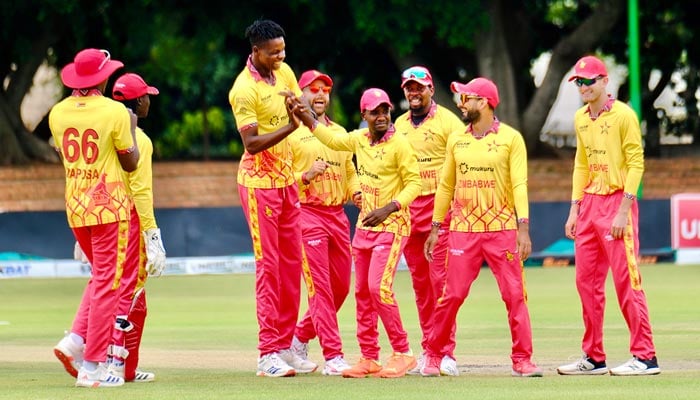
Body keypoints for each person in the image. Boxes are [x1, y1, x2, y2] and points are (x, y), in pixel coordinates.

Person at [289, 88, 422, 378]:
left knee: (378, 288)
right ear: (364, 116)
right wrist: (308, 119)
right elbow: (332, 139)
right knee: (362, 292)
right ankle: (369, 357)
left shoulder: (399, 143)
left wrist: (389, 208)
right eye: (375, 111)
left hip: (392, 225)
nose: (382, 116)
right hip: (364, 227)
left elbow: (415, 184)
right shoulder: (359, 139)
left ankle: (403, 352)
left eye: (385, 110)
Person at [421, 77, 542, 378]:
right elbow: (446, 186)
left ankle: (522, 360)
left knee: (515, 295)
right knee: (453, 295)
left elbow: (520, 184)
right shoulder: (456, 140)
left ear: (485, 102)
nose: (462, 104)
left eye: (468, 98)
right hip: (463, 230)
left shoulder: (511, 139)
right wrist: (436, 227)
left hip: (501, 229)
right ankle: (434, 355)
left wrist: (522, 227)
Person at [557, 55, 659, 376]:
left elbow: (636, 163)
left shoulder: (624, 116)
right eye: (580, 82)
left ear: (604, 82)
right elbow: (581, 163)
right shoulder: (581, 118)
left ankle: (645, 357)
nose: (584, 87)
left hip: (617, 203)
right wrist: (575, 208)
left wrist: (623, 210)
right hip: (589, 203)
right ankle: (594, 357)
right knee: (585, 283)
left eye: (589, 81)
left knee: (627, 281)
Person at [228, 19, 315, 377]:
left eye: (283, 49)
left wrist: (307, 115)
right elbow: (251, 143)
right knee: (270, 267)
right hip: (258, 184)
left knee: (292, 265)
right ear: (255, 52)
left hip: (286, 181)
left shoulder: (285, 72)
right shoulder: (243, 89)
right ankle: (267, 353)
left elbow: (301, 108)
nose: (281, 56)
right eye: (273, 52)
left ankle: (284, 346)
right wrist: (291, 127)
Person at [50, 48, 140, 388]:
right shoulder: (115, 111)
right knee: (108, 285)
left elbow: (64, 154)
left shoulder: (57, 113)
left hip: (76, 205)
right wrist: (130, 129)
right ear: (102, 78)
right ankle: (92, 365)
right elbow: (129, 161)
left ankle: (75, 340)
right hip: (110, 206)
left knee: (100, 278)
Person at [286, 70, 361, 376]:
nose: (320, 95)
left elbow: (350, 170)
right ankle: (333, 356)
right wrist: (305, 176)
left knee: (341, 287)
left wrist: (356, 192)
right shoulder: (289, 133)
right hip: (307, 214)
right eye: (313, 89)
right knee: (320, 289)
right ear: (301, 94)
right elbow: (278, 179)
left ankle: (300, 337)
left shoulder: (340, 132)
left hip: (337, 216)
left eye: (325, 90)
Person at [393, 66, 465, 376]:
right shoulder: (399, 125)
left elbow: (463, 164)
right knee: (421, 286)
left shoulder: (449, 122)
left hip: (441, 212)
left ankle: (445, 352)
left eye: (419, 87)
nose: (413, 93)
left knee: (442, 285)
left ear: (430, 89)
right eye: (409, 88)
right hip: (410, 212)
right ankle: (428, 350)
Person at [106, 72, 167, 382]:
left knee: (130, 300)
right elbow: (141, 191)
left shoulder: (106, 132)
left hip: (103, 218)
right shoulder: (138, 139)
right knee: (128, 293)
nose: (149, 101)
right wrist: (152, 235)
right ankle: (112, 363)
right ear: (138, 101)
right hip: (129, 222)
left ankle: (126, 367)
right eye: (146, 97)